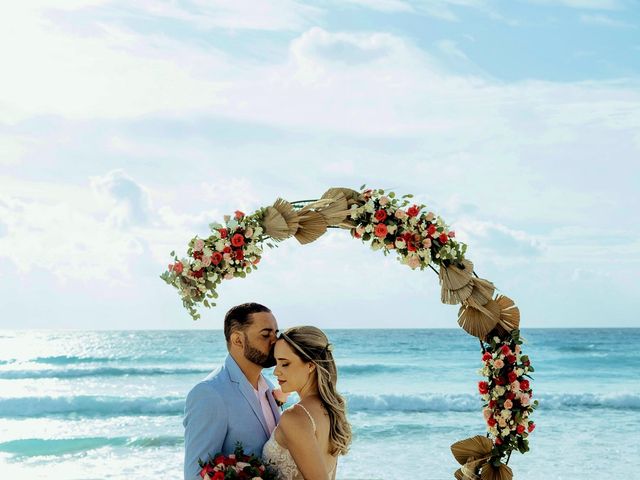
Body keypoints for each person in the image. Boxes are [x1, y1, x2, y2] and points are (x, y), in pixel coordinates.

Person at [183, 302, 280, 480]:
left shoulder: (270, 387)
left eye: (276, 333)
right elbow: (196, 474)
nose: (275, 341)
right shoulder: (209, 393)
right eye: (266, 334)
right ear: (238, 340)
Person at [263, 326, 352, 480]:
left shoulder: (295, 417)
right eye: (276, 363)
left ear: (311, 365)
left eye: (284, 364)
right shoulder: (330, 410)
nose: (276, 371)